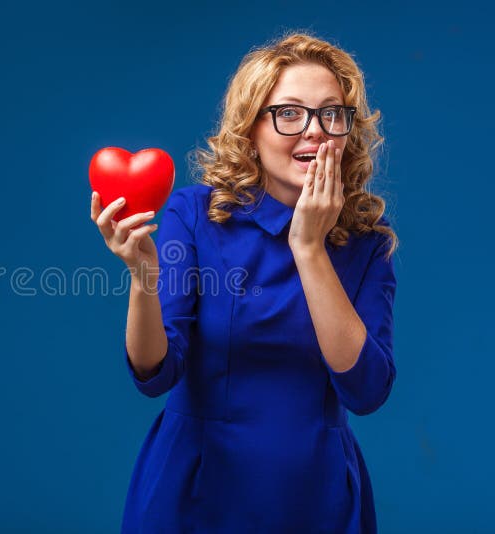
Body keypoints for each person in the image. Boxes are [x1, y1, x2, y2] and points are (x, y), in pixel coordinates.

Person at [90, 31, 398, 533]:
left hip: (314, 496)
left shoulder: (368, 245)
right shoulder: (195, 213)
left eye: (331, 114)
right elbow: (155, 373)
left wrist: (309, 247)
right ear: (250, 131)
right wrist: (144, 276)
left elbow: (366, 391)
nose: (315, 131)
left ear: (348, 132)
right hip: (195, 489)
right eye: (290, 112)